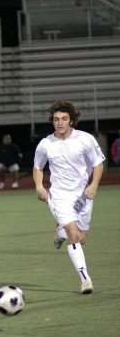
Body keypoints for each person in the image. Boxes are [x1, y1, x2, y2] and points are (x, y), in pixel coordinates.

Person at [33, 99, 105, 294]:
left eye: (64, 118)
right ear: (53, 121)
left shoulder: (85, 139)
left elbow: (98, 164)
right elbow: (38, 167)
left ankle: (61, 233)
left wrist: (93, 185)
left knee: (81, 238)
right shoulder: (46, 144)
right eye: (56, 119)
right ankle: (85, 280)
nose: (60, 123)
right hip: (59, 196)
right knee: (74, 233)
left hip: (83, 195)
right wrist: (39, 185)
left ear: (72, 120)